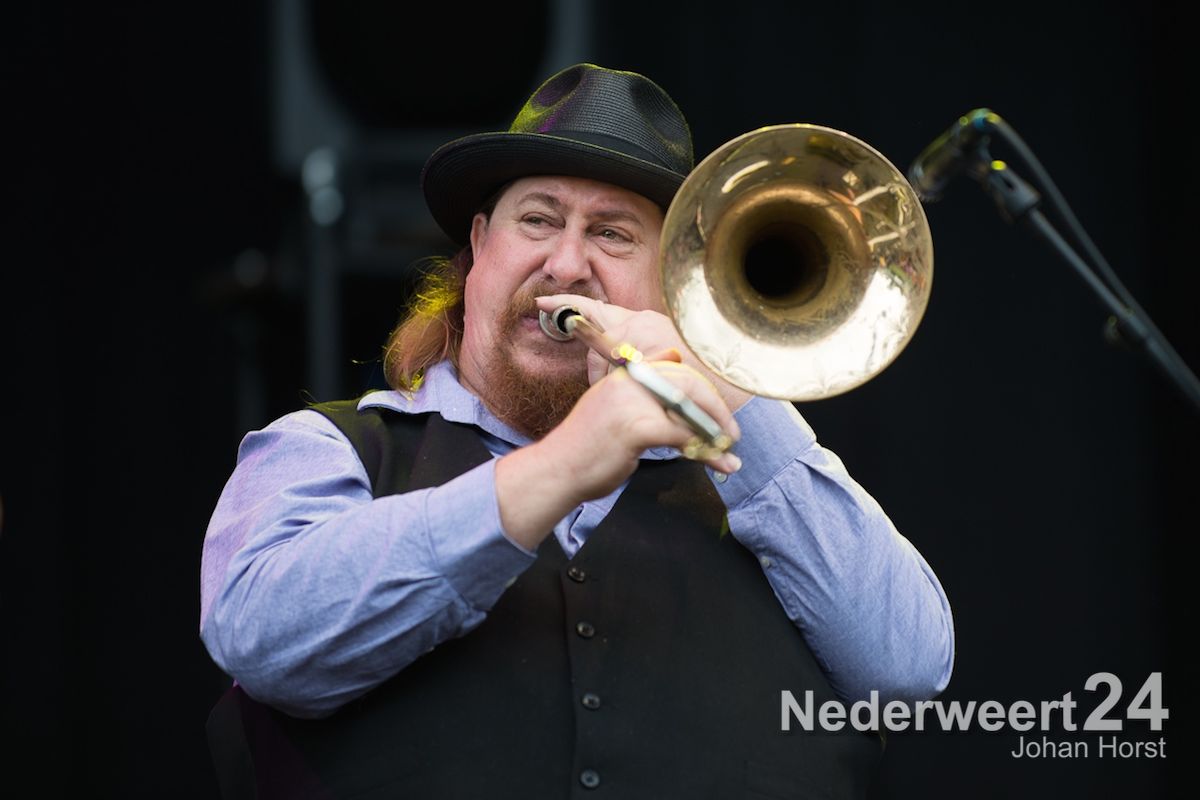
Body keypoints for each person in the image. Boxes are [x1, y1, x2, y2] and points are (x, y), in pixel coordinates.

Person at [200, 62, 954, 800]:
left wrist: (730, 385)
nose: (567, 264)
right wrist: (566, 462)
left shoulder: (756, 480)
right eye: (538, 219)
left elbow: (907, 674)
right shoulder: (325, 448)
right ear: (478, 247)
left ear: (676, 284)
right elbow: (261, 640)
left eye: (613, 234)